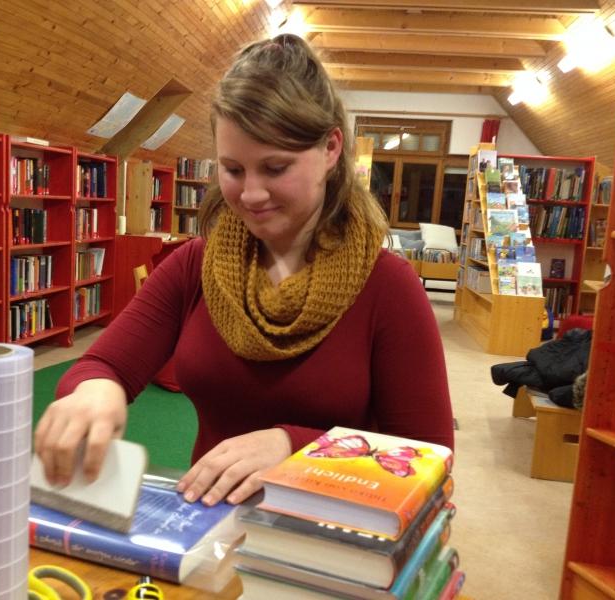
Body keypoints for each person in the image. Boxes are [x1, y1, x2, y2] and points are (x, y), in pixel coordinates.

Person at [34, 33, 454, 508]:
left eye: (275, 168)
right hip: (207, 525)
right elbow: (102, 364)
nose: (251, 194)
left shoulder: (388, 287)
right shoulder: (196, 265)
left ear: (332, 149)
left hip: (335, 538)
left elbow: (428, 457)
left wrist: (294, 446)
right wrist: (96, 391)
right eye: (233, 170)